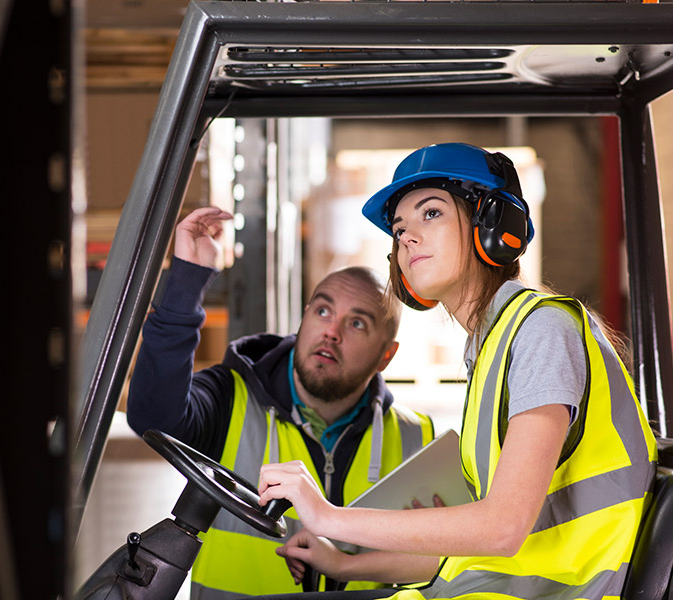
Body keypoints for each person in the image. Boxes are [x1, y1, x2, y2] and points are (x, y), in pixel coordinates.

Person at [258, 143, 658, 600]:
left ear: (494, 225)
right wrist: (346, 562)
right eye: (399, 227)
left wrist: (328, 515)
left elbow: (502, 529)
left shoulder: (542, 329)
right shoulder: (491, 346)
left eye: (430, 213)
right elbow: (472, 543)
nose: (407, 237)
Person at [126, 206, 435, 600]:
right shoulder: (229, 398)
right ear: (304, 318)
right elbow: (152, 417)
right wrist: (188, 279)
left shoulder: (416, 439)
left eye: (357, 323)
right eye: (322, 311)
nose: (331, 332)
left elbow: (442, 571)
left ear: (385, 356)